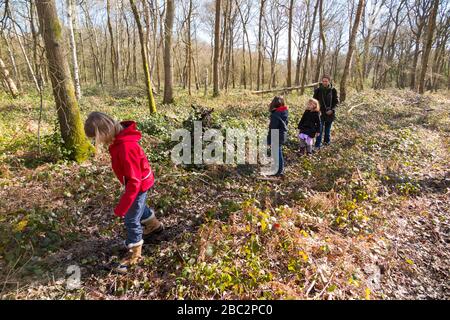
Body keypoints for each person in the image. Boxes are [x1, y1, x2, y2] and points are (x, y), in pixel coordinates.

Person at [84, 112, 164, 273]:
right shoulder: (120, 140)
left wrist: (123, 206)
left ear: (104, 132)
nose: (97, 143)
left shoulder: (126, 147)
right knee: (138, 207)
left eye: (96, 139)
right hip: (139, 181)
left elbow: (134, 182)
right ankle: (154, 226)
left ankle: (134, 255)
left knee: (131, 218)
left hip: (139, 184)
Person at [313, 74, 339, 149]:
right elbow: (314, 102)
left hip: (330, 113)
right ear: (322, 81)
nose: (324, 82)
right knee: (319, 130)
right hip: (320, 113)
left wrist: (332, 110)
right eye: (323, 81)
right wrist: (317, 110)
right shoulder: (318, 90)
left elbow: (336, 102)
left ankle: (326, 143)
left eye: (326, 81)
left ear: (329, 81)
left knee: (327, 130)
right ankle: (317, 145)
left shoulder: (333, 90)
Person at [267, 96, 289, 177]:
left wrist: (269, 139)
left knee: (276, 153)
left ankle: (278, 170)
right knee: (278, 152)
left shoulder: (275, 114)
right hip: (282, 134)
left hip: (276, 135)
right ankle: (280, 170)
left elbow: (273, 127)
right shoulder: (284, 111)